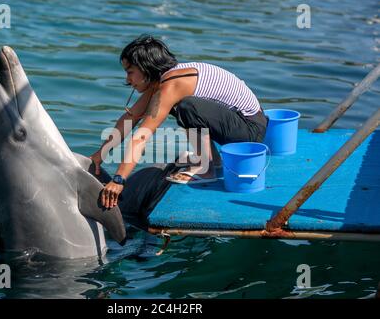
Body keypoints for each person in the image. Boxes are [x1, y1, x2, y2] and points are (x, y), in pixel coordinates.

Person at [90, 34, 268, 209]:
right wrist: (100, 155)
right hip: (244, 124)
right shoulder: (166, 78)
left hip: (250, 131)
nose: (127, 80)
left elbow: (141, 136)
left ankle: (205, 169)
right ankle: (213, 161)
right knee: (186, 107)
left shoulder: (173, 85)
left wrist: (119, 179)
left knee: (186, 107)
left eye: (130, 72)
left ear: (146, 69)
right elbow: (130, 118)